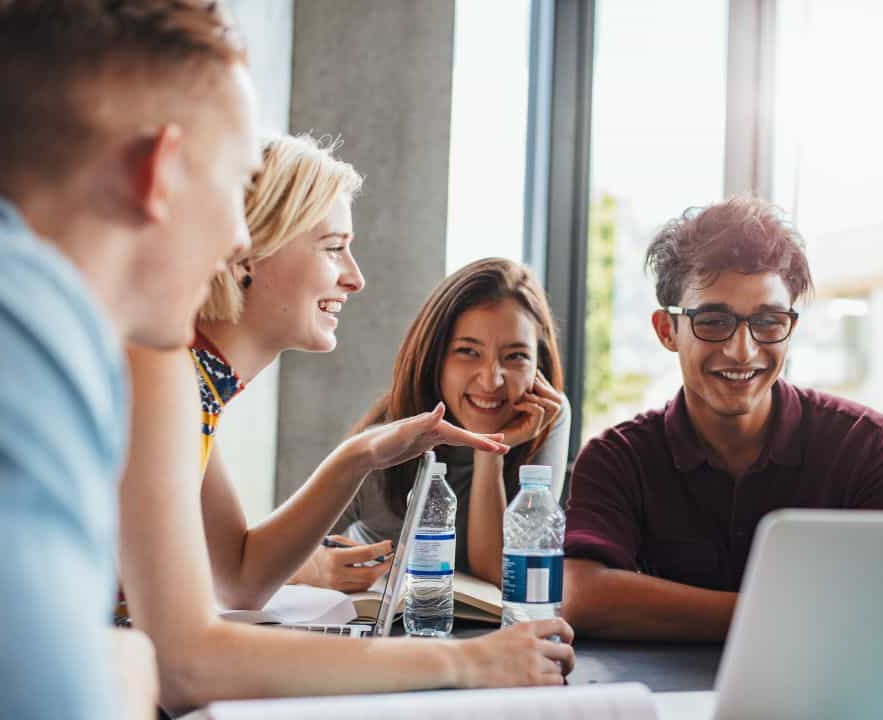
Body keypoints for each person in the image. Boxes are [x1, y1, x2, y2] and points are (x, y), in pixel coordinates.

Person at [120, 134, 574, 712]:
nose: (355, 278)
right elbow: (188, 663)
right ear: (247, 252)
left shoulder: (196, 388)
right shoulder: (164, 377)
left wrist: (359, 455)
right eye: (334, 247)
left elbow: (238, 577)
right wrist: (468, 661)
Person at [0, 0, 261, 717]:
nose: (239, 238)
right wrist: (127, 669)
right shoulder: (7, 340)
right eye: (238, 182)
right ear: (159, 171)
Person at [560, 196, 883, 642]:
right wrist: (800, 617)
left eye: (768, 322)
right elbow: (582, 595)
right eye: (713, 321)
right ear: (665, 330)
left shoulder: (870, 446)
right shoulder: (617, 458)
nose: (742, 350)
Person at [334, 257, 570, 587]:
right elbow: (284, 556)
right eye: (468, 352)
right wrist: (317, 568)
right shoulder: (385, 440)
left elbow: (501, 573)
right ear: (435, 358)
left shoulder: (546, 415)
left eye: (516, 356)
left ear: (538, 363)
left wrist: (490, 451)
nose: (492, 381)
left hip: (481, 628)